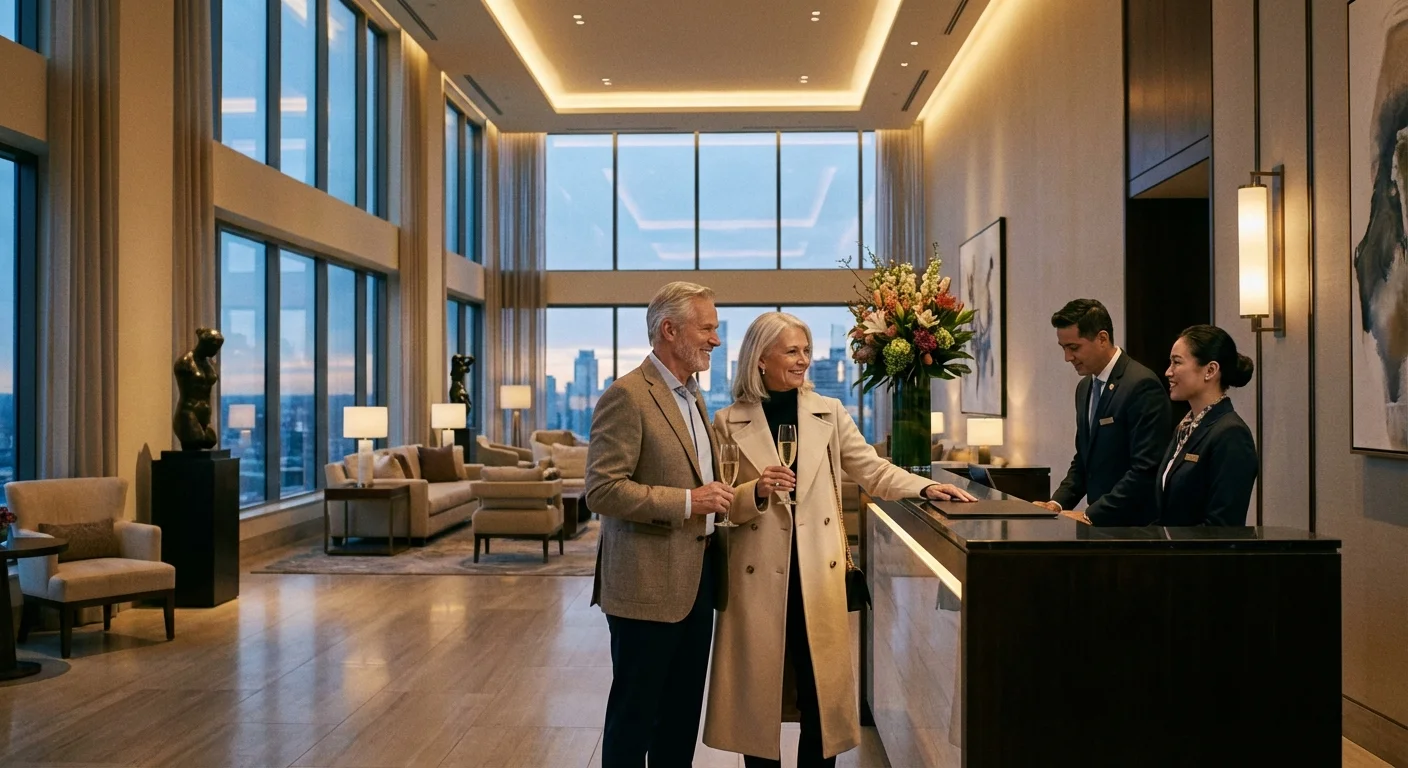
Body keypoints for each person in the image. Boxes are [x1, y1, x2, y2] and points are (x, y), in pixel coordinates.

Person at [702, 312, 976, 768]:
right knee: (759, 695)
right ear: (761, 358)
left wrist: (923, 486)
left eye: (806, 351)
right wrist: (758, 491)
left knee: (820, 696)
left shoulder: (828, 411)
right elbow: (722, 501)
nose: (804, 360)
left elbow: (871, 469)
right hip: (757, 579)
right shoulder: (726, 422)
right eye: (792, 351)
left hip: (817, 574)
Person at [585, 281, 734, 767]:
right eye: (706, 327)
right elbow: (603, 490)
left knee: (680, 719)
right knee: (634, 719)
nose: (715, 339)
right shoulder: (626, 396)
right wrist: (689, 502)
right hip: (645, 587)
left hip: (698, 583)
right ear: (669, 330)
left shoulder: (694, 397)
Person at [1036, 299, 1171, 525]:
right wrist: (1056, 504)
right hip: (1100, 526)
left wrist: (1090, 514)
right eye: (1064, 348)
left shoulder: (1141, 385)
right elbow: (1084, 459)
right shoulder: (1085, 387)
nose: (1067, 357)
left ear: (1102, 338)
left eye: (1074, 347)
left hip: (1133, 529)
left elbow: (1145, 470)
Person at [1155, 324, 1258, 526]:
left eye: (1177, 362)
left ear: (1210, 370)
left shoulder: (1231, 434)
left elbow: (1223, 526)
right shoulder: (1185, 427)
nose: (1168, 372)